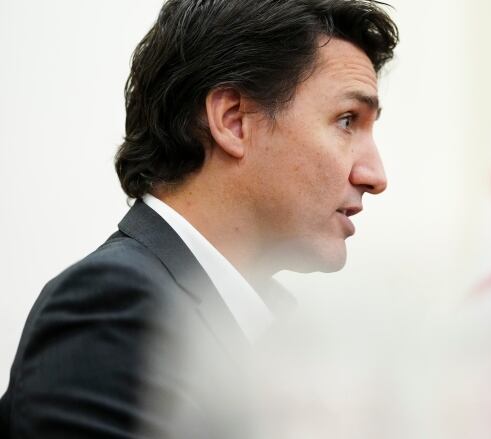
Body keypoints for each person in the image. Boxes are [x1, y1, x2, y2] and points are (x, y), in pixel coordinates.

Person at [0, 0, 398, 437]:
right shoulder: (115, 309)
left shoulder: (285, 337)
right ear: (233, 121)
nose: (375, 176)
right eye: (346, 121)